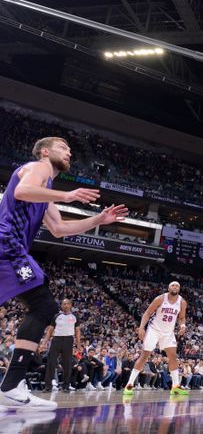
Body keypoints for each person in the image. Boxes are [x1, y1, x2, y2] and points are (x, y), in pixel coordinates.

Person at [0, 136, 128, 410]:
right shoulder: (39, 168)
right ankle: (12, 384)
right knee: (44, 305)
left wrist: (98, 220)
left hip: (10, 248)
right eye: (63, 148)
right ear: (45, 152)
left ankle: (12, 384)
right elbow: (23, 191)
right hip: (7, 245)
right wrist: (67, 195)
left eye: (69, 150)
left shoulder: (45, 187)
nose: (69, 152)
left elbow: (59, 229)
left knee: (43, 307)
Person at [123, 281, 189, 396]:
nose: (175, 287)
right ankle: (129, 384)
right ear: (168, 288)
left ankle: (175, 386)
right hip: (154, 329)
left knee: (173, 357)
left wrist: (183, 326)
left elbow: (182, 318)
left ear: (179, 289)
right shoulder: (160, 298)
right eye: (173, 285)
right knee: (144, 356)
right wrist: (142, 327)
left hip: (168, 332)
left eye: (177, 286)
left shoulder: (182, 302)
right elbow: (148, 312)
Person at [40, 298, 81, 392]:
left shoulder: (75, 317)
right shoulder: (56, 316)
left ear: (71, 305)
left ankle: (66, 386)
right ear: (61, 306)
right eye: (63, 304)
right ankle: (48, 386)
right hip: (57, 339)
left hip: (68, 340)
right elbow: (50, 330)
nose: (65, 305)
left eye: (67, 304)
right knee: (51, 362)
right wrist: (44, 342)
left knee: (67, 364)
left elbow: (77, 331)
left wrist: (78, 344)